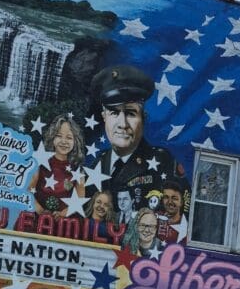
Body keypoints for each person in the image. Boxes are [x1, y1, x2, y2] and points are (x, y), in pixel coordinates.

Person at [88, 64, 190, 211]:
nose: (122, 124)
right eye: (114, 113)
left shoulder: (163, 162)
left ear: (143, 118)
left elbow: (183, 211)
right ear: (104, 117)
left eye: (130, 113)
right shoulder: (98, 164)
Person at [30, 115, 85, 215]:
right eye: (59, 136)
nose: (64, 141)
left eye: (69, 138)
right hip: (33, 218)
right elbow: (27, 191)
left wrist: (63, 213)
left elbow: (80, 200)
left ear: (75, 141)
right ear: (52, 138)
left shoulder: (78, 170)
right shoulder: (39, 164)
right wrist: (40, 211)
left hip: (62, 225)